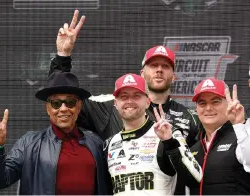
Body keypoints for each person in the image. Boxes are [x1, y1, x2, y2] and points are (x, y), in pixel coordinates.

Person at [49, 10, 200, 195]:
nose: (159, 70)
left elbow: (200, 174)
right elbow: (62, 98)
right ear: (142, 72)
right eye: (153, 65)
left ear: (174, 76)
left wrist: (170, 144)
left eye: (165, 66)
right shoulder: (108, 107)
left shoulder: (189, 118)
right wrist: (62, 57)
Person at [0, 71, 111, 195]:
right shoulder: (29, 143)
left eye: (70, 102)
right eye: (56, 103)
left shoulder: (97, 144)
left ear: (79, 107)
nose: (63, 109)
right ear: (48, 108)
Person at [105, 73, 201, 195]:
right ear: (115, 103)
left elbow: (195, 178)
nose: (129, 101)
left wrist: (170, 143)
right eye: (124, 97)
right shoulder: (111, 144)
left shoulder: (168, 134)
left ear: (147, 102)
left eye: (136, 96)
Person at [155, 78, 250, 194]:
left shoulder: (243, 136)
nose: (208, 108)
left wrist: (240, 125)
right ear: (196, 108)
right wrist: (169, 142)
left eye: (215, 101)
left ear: (228, 104)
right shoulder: (194, 148)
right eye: (202, 103)